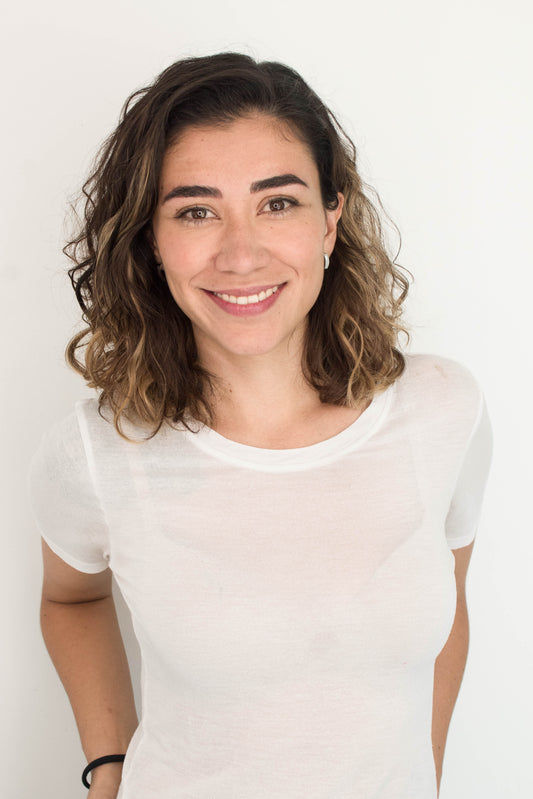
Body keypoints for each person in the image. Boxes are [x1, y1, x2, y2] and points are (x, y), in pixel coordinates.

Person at [29, 52, 492, 799]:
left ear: (330, 221)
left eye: (277, 203)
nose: (241, 254)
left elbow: (446, 602)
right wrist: (108, 771)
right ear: (151, 240)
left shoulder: (444, 411)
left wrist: (423, 780)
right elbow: (70, 598)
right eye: (196, 210)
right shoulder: (97, 451)